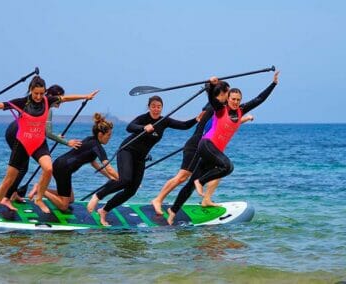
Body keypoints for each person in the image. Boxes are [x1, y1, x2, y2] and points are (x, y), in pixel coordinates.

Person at [0, 75, 99, 220]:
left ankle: (39, 198)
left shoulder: (47, 101)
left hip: (39, 143)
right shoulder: (22, 102)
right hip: (22, 144)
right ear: (31, 90)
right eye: (36, 93)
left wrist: (85, 96)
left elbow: (66, 98)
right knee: (8, 181)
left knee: (48, 168)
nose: (39, 96)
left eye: (42, 93)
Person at [167, 71, 279, 225]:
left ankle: (172, 211)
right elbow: (211, 97)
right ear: (228, 98)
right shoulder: (220, 109)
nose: (236, 102)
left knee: (190, 185)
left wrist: (273, 84)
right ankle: (201, 181)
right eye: (233, 99)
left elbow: (260, 99)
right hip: (206, 144)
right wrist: (211, 85)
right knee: (228, 166)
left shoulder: (241, 111)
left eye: (238, 100)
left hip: (212, 152)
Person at [87, 95, 202, 226]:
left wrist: (197, 119)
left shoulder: (164, 121)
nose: (156, 109)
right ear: (149, 107)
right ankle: (97, 196)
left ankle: (104, 210)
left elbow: (184, 125)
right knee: (125, 180)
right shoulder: (143, 118)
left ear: (162, 108)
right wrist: (143, 128)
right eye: (153, 106)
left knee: (131, 190)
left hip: (140, 158)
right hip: (127, 151)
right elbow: (130, 127)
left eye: (159, 107)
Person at [1, 84, 90, 211]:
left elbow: (42, 129)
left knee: (22, 167)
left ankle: (13, 193)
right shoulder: (46, 108)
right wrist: (66, 142)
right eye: (60, 97)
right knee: (22, 167)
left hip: (15, 131)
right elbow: (48, 133)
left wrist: (85, 96)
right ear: (54, 96)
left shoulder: (43, 105)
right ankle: (6, 198)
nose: (61, 101)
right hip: (17, 133)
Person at [28, 113, 119, 211]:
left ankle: (41, 189)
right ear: (100, 134)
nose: (110, 138)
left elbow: (94, 163)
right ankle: (40, 189)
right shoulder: (97, 147)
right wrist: (122, 179)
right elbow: (108, 167)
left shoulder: (90, 140)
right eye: (108, 135)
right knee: (64, 206)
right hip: (63, 169)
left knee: (70, 199)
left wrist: (111, 177)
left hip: (61, 165)